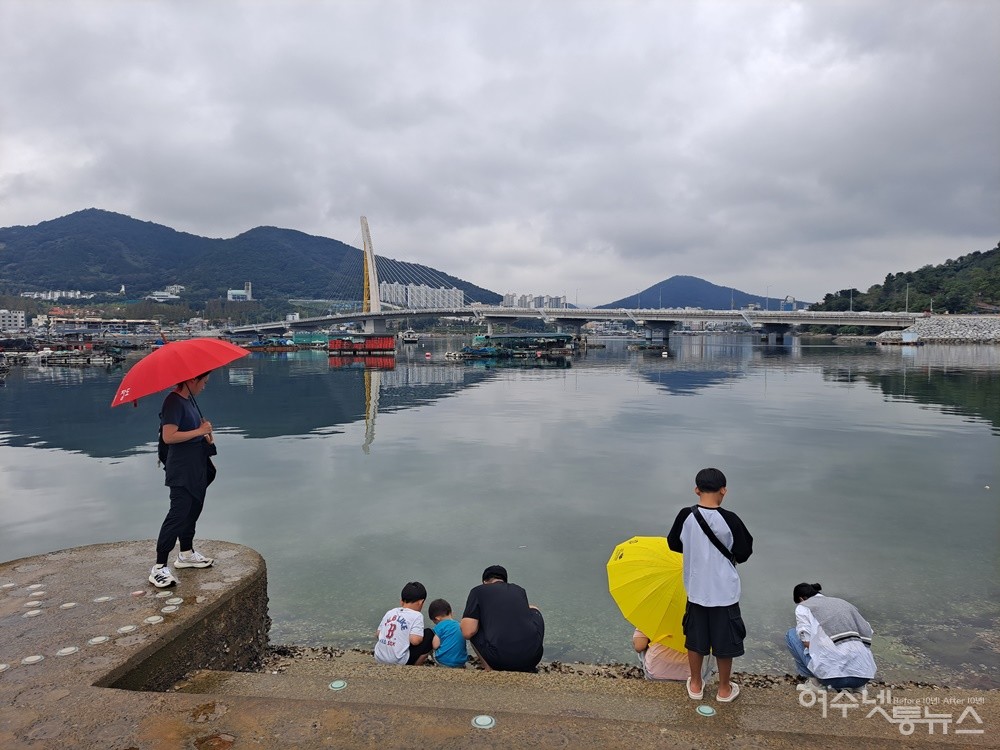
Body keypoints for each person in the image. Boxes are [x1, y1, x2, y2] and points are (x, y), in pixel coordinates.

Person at [667, 467, 753, 702]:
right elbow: (744, 552)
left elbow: (673, 543)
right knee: (725, 642)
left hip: (696, 591)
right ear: (724, 490)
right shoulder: (731, 519)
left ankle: (695, 685)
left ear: (696, 489)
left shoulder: (686, 515)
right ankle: (724, 689)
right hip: (725, 593)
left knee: (695, 639)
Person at [150, 372, 217, 588]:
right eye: (203, 382)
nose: (205, 386)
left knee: (193, 509)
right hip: (181, 468)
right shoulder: (173, 401)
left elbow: (191, 432)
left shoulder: (189, 401)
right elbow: (169, 436)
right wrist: (199, 430)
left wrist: (204, 433)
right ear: (191, 380)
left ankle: (186, 553)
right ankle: (159, 567)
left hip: (196, 465)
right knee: (178, 514)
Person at [785, 582, 876, 692]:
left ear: (801, 598)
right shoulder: (843, 604)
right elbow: (868, 632)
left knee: (791, 634)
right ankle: (858, 688)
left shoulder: (804, 606)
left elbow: (806, 642)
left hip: (831, 679)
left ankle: (815, 684)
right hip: (863, 677)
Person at [461, 565, 544, 672]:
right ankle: (528, 653)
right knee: (534, 610)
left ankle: (489, 669)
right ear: (504, 581)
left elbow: (468, 632)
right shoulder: (519, 590)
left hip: (499, 661)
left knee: (473, 626)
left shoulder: (478, 591)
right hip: (533, 659)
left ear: (484, 581)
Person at [374, 581, 435, 666]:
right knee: (429, 634)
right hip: (398, 661)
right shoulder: (417, 615)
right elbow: (415, 641)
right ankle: (416, 667)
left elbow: (378, 634)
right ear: (421, 602)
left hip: (379, 657)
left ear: (401, 601)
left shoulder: (390, 612)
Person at [632, 629, 715, 683]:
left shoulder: (654, 612)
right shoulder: (704, 613)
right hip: (694, 674)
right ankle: (702, 681)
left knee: (643, 645)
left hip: (657, 671)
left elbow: (639, 646)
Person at [429, 598, 469, 668]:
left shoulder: (439, 626)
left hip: (444, 662)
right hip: (461, 662)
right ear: (451, 612)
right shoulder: (460, 625)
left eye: (434, 621)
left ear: (437, 618)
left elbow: (435, 645)